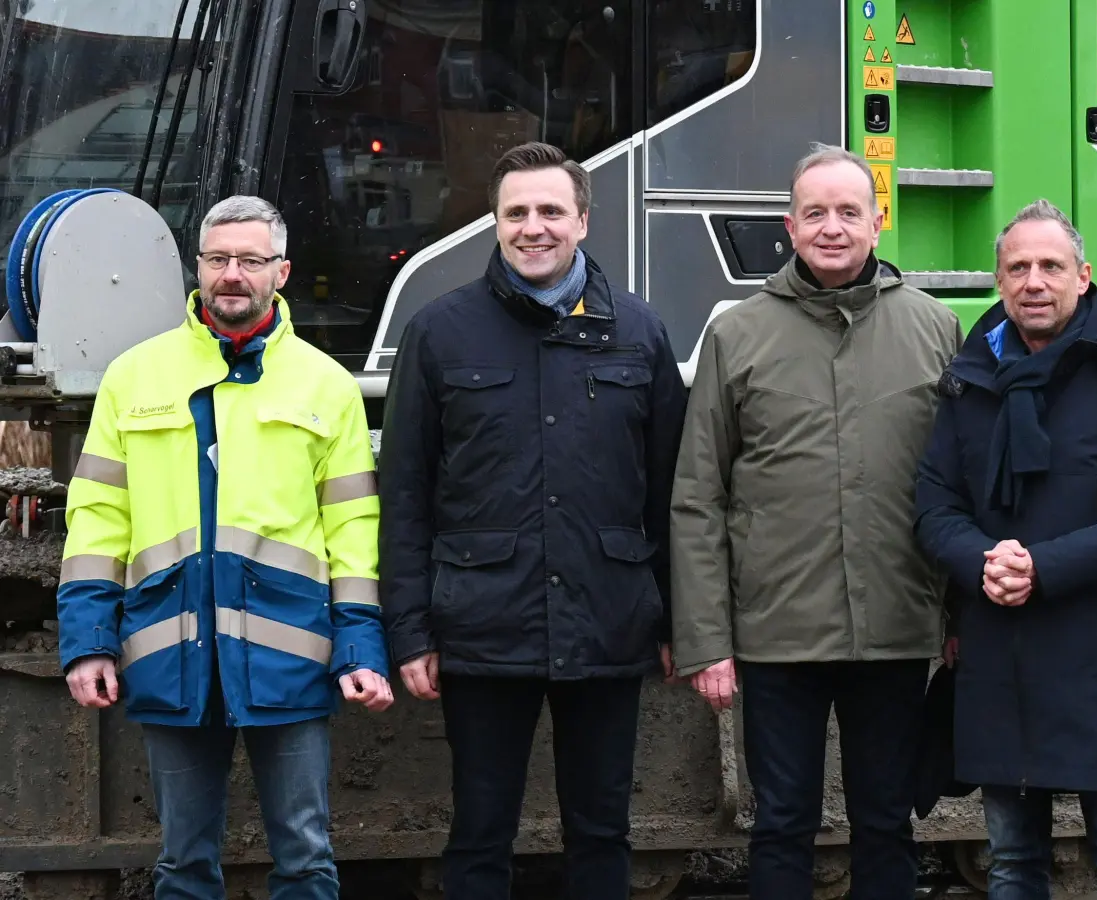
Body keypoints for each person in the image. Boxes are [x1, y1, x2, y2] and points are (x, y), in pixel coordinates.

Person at [56, 195, 393, 899]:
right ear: (199, 267)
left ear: (282, 271)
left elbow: (354, 533)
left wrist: (360, 647)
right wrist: (88, 638)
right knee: (182, 865)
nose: (231, 274)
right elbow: (97, 518)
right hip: (169, 652)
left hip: (288, 658)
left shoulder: (325, 386)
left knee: (305, 858)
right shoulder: (134, 377)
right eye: (217, 259)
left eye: (249, 260)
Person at [378, 141, 687, 899]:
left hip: (609, 619)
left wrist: (683, 621)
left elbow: (672, 495)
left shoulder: (640, 335)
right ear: (495, 222)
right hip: (484, 625)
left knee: (602, 830)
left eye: (551, 210)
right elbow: (407, 493)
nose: (533, 227)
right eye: (516, 212)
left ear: (584, 219)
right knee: (480, 831)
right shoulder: (439, 333)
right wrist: (410, 629)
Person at [670, 144, 962, 900]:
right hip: (777, 639)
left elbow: (963, 487)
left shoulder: (935, 329)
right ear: (789, 226)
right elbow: (698, 496)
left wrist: (960, 615)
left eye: (849, 212)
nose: (832, 227)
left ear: (877, 221)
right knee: (781, 825)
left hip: (896, 629)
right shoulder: (737, 335)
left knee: (887, 824)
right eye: (815, 213)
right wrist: (708, 640)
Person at [913, 199, 1097, 900]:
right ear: (999, 279)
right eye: (1017, 267)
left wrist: (1042, 568)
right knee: (1011, 866)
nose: (1033, 281)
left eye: (1050, 266)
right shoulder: (969, 377)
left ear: (1084, 275)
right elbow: (933, 504)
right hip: (998, 658)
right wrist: (983, 561)